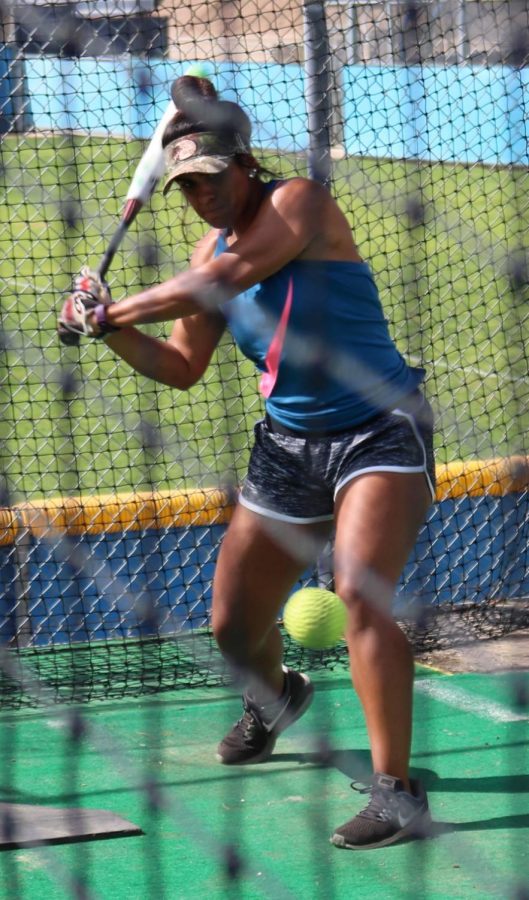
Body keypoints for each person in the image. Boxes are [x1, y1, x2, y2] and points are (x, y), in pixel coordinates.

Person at [59, 75, 436, 850]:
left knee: (361, 596)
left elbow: (226, 279)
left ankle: (396, 790)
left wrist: (109, 306)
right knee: (232, 628)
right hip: (287, 448)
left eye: (211, 178)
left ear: (245, 165)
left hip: (378, 430)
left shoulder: (299, 203)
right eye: (187, 188)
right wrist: (105, 331)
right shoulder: (205, 246)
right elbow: (179, 367)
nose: (203, 196)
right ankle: (274, 702)